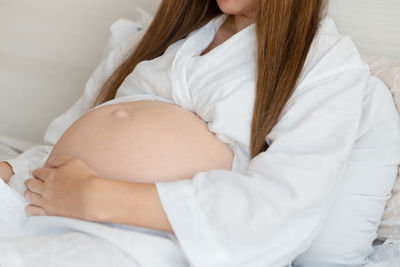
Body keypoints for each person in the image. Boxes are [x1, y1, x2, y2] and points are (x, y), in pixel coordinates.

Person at [1, 0, 400, 266]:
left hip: (144, 237)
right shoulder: (158, 36)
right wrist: (16, 172)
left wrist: (100, 198)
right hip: (38, 203)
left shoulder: (325, 63)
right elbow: (59, 142)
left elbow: (285, 205)